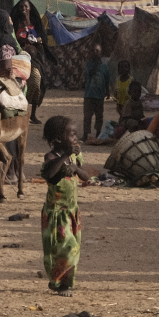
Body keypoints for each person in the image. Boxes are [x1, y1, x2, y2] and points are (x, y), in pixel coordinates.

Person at [38, 115, 83, 295]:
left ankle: (65, 282)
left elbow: (86, 176)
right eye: (72, 135)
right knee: (64, 248)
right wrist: (65, 155)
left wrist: (77, 168)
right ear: (58, 139)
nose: (76, 138)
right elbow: (50, 175)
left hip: (72, 211)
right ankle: (59, 282)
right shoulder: (52, 157)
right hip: (56, 213)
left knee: (73, 247)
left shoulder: (74, 158)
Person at [82, 54, 113, 142]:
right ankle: (85, 134)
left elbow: (107, 80)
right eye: (93, 51)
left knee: (99, 116)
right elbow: (90, 73)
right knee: (87, 116)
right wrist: (96, 64)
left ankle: (98, 133)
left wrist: (107, 92)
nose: (95, 53)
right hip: (89, 95)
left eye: (97, 51)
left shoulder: (104, 67)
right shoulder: (89, 64)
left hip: (99, 96)